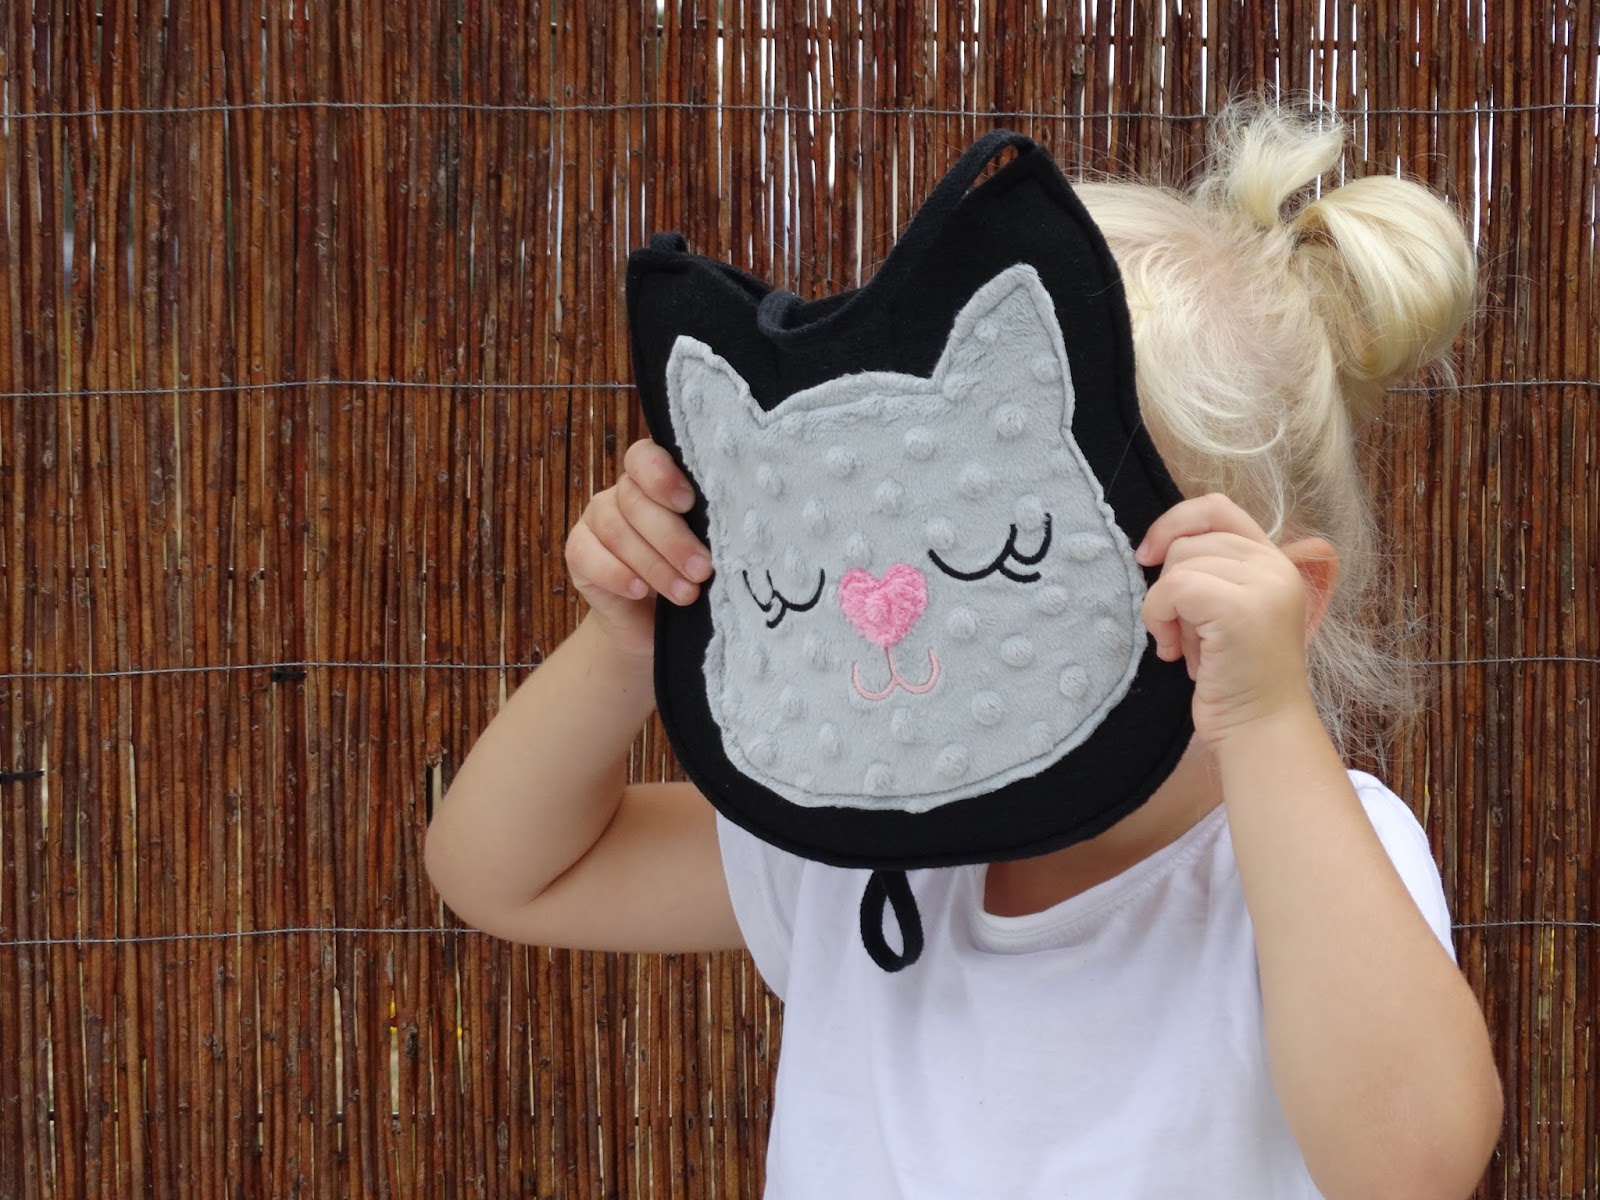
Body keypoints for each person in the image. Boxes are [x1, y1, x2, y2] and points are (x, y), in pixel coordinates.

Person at [424, 102, 1503, 1199]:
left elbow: (1409, 1168)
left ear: (1286, 603)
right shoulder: (858, 829)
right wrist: (629, 640)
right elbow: (507, 875)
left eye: (1002, 553)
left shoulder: (1311, 854)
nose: (926, 615)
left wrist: (1269, 726)